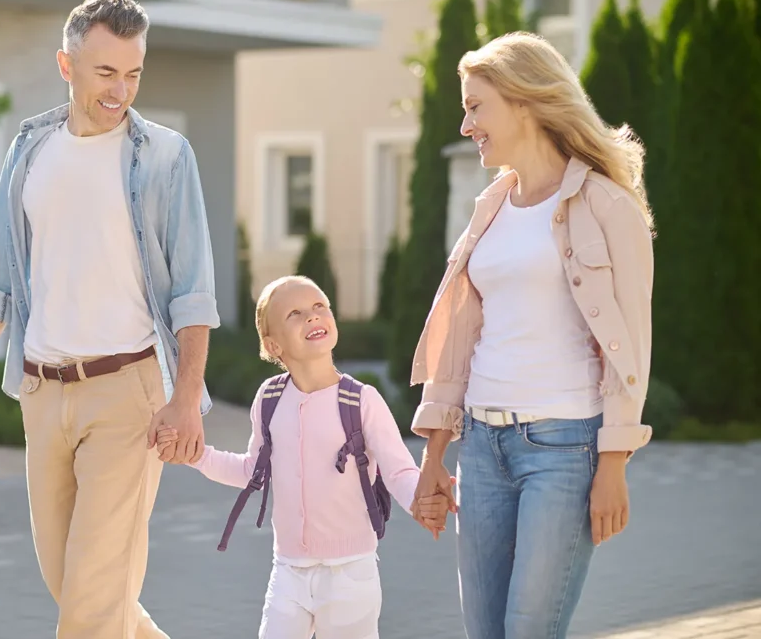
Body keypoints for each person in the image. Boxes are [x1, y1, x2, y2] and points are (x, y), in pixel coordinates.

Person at [0, 0, 221, 639]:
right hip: (43, 393)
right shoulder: (30, 152)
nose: (120, 89)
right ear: (67, 66)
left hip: (130, 396)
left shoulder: (165, 158)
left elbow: (194, 294)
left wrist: (184, 399)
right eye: (105, 72)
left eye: (133, 73)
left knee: (92, 602)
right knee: (76, 586)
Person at [409, 32, 654, 639]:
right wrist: (435, 454)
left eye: (475, 106)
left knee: (528, 630)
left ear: (523, 101)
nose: (467, 124)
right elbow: (463, 339)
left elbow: (632, 342)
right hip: (483, 450)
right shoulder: (490, 207)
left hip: (564, 449)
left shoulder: (605, 205)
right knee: (485, 631)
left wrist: (614, 460)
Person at [157, 275, 450, 639]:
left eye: (319, 307)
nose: (313, 317)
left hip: (350, 574)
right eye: (295, 313)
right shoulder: (269, 399)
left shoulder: (361, 401)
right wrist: (196, 456)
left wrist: (421, 501)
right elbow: (251, 470)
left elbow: (398, 471)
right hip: (289, 571)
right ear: (272, 344)